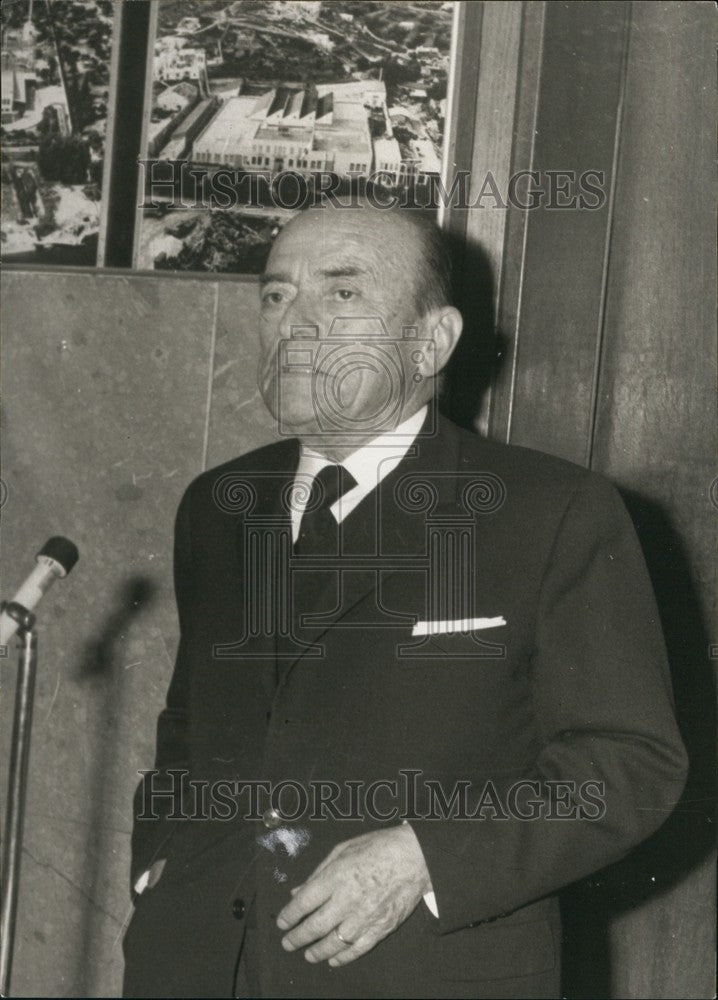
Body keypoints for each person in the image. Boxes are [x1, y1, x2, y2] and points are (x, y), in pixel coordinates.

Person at [123, 199, 687, 999]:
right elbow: (190, 728)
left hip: (417, 969)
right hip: (194, 968)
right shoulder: (218, 506)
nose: (296, 323)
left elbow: (629, 766)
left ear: (432, 341)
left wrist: (423, 855)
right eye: (276, 295)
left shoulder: (548, 511)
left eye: (342, 293)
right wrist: (158, 864)